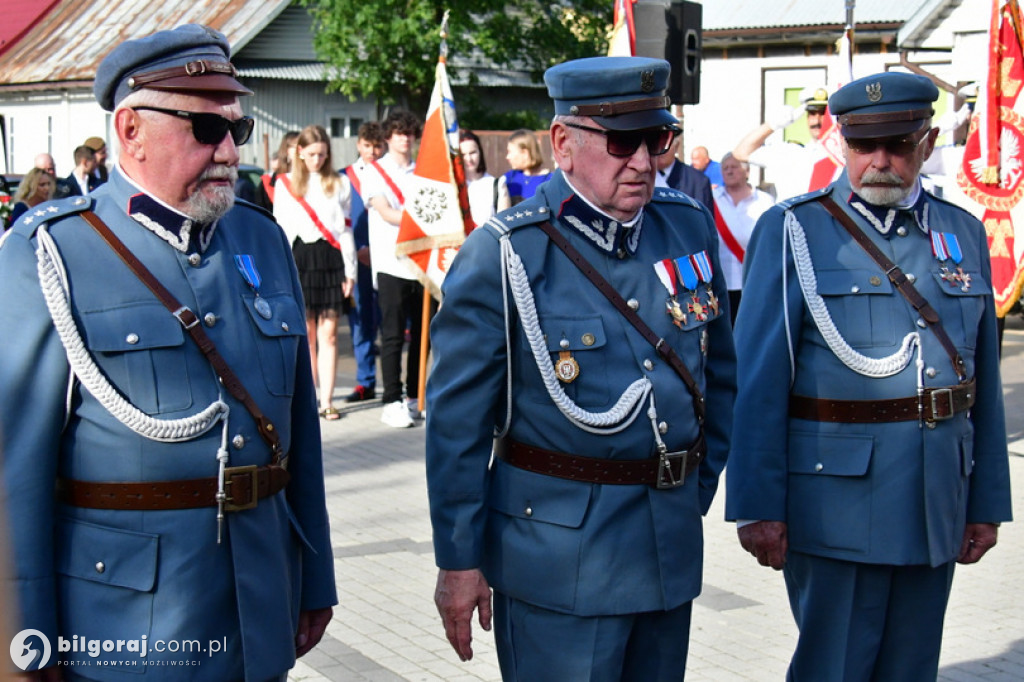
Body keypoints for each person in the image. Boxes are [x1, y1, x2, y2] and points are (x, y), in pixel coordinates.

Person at [0, 24, 336, 680]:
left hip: (259, 602)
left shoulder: (262, 239)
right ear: (130, 131)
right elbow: (15, 474)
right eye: (205, 130)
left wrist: (314, 574)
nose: (228, 151)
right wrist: (23, 642)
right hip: (128, 624)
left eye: (235, 130)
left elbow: (300, 440)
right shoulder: (50, 254)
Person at [426, 55, 736, 680]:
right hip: (559, 564)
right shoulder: (507, 253)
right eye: (623, 141)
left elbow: (720, 379)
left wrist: (687, 492)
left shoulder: (684, 227)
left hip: (665, 548)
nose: (644, 161)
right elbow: (456, 427)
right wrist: (460, 560)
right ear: (563, 143)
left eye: (657, 139)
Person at [726, 72, 1013, 681]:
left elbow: (979, 382)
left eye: (899, 145)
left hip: (935, 496)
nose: (880, 161)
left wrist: (985, 500)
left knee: (912, 670)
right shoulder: (795, 230)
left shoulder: (961, 230)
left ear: (927, 142)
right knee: (835, 668)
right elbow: (759, 379)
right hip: (835, 502)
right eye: (863, 145)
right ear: (841, 144)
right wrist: (756, 505)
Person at [273, 124, 356, 420]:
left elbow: (346, 230)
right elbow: (279, 229)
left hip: (331, 258)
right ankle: (309, 400)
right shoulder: (285, 184)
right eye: (312, 154)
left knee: (330, 333)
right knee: (306, 334)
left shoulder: (340, 183)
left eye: (322, 154)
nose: (317, 159)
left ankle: (328, 400)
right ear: (299, 152)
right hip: (299, 259)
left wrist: (351, 271)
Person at [364, 109, 427, 428]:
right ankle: (391, 399)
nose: (405, 138)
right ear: (388, 137)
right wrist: (423, 219)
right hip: (390, 263)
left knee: (421, 334)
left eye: (409, 132)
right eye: (399, 132)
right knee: (392, 335)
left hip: (420, 263)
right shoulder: (374, 171)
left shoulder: (423, 170)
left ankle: (416, 396)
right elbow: (385, 211)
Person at [732, 86, 840, 201]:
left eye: (823, 113)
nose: (816, 121)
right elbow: (740, 153)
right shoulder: (789, 152)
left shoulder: (843, 158)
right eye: (812, 113)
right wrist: (772, 125)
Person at [343, 121, 386, 403]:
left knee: (390, 322)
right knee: (360, 321)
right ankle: (365, 381)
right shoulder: (343, 177)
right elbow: (338, 219)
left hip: (387, 257)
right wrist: (357, 248)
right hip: (357, 258)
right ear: (359, 145)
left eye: (377, 146)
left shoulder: (391, 174)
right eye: (367, 145)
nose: (372, 151)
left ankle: (397, 385)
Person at [711, 152, 774, 324]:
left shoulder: (765, 201)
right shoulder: (711, 199)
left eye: (734, 167)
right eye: (725, 168)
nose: (729, 171)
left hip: (754, 282)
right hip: (720, 283)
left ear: (747, 171)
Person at [656, 132, 713, 211]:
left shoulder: (698, 181)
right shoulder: (643, 178)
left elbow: (704, 220)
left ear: (676, 146)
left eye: (665, 144)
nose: (660, 149)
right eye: (655, 144)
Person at [459, 128, 505, 226]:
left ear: (480, 152)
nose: (469, 159)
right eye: (463, 155)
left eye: (472, 153)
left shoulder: (496, 184)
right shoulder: (453, 186)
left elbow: (503, 225)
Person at [498, 128, 551, 208]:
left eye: (510, 152)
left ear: (525, 153)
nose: (507, 157)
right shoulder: (510, 177)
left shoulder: (549, 180)